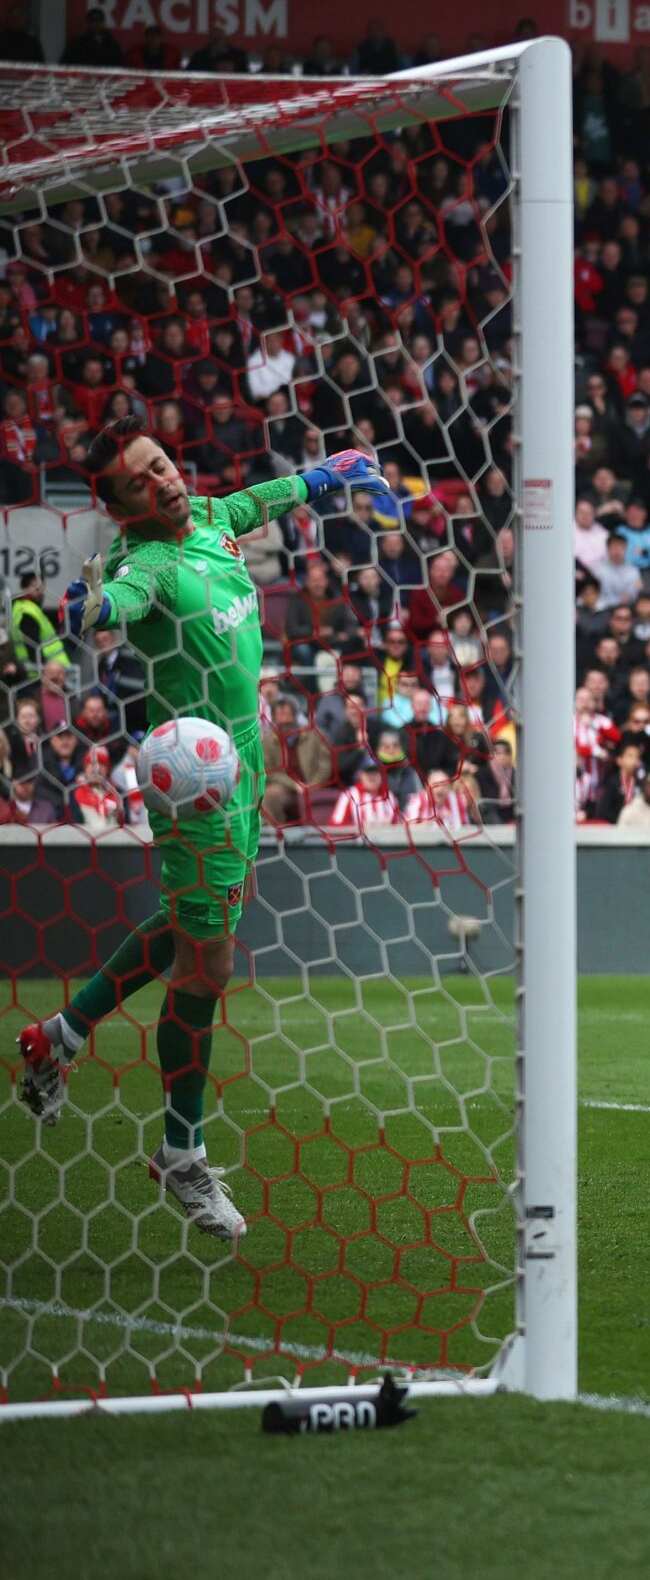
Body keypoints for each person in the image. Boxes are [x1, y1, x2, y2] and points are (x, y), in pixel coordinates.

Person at [18, 418, 394, 1242]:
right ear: (124, 509)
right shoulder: (148, 562)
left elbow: (259, 499)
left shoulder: (215, 519)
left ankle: (59, 1036)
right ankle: (181, 1154)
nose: (168, 482)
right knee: (207, 962)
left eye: (165, 464)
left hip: (241, 761)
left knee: (195, 929)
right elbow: (120, 600)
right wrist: (90, 608)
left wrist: (326, 477)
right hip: (193, 789)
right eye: (145, 481)